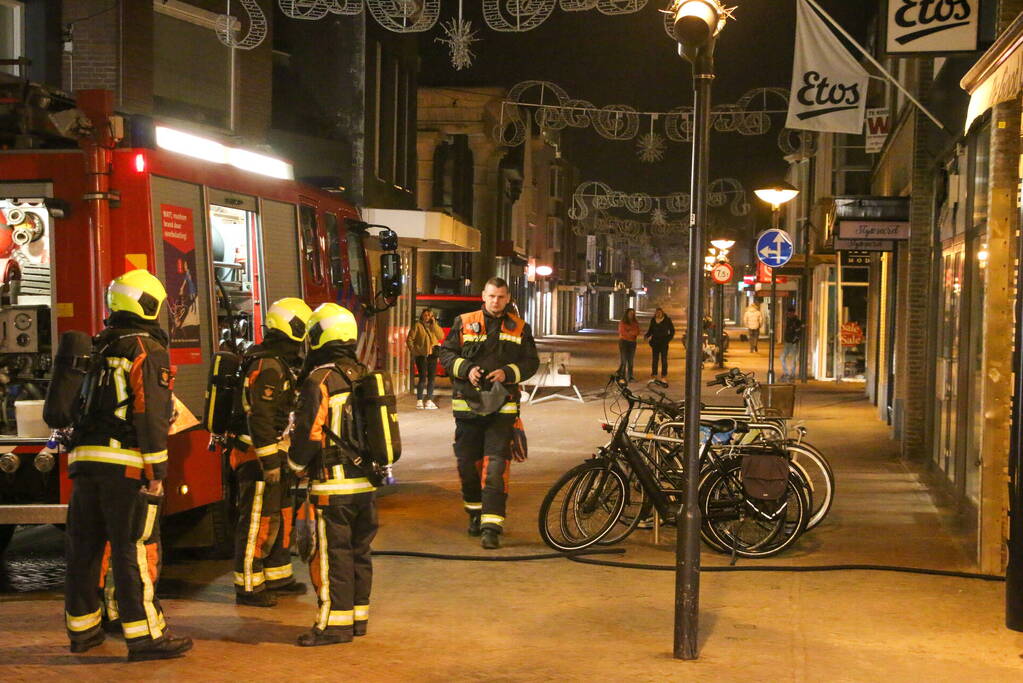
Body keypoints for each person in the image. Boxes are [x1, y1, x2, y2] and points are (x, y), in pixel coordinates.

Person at [63, 269, 192, 661]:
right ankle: (145, 637)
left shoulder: (97, 345)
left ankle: (83, 631)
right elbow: (149, 413)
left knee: (85, 548)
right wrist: (157, 472)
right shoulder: (145, 348)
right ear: (149, 305)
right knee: (132, 548)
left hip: (84, 462)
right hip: (125, 465)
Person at [289, 303, 377, 647]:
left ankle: (333, 626)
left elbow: (309, 434)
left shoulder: (320, 380)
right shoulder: (364, 374)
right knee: (359, 553)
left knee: (332, 556)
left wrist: (295, 466)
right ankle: (357, 620)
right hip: (365, 484)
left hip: (333, 485)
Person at [438, 277, 539, 550]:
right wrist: (466, 369)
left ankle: (491, 527)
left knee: (495, 469)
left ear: (508, 299)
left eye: (501, 297)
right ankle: (475, 514)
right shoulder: (464, 322)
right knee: (468, 467)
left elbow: (531, 362)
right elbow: (445, 354)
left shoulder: (520, 327)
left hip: (502, 411)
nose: (496, 301)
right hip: (467, 410)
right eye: (492, 296)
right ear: (483, 296)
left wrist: (507, 373)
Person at [228, 297, 313, 607]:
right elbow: (260, 416)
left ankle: (277, 575)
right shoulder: (268, 365)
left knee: (281, 513)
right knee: (257, 520)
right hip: (257, 454)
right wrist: (269, 461)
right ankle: (249, 586)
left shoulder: (277, 361)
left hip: (275, 449)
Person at [406, 308, 444, 409]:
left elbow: (441, 336)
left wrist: (434, 324)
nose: (428, 317)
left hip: (432, 355)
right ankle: (419, 401)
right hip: (421, 355)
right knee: (422, 378)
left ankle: (429, 401)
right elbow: (409, 339)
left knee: (431, 378)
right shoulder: (417, 326)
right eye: (426, 315)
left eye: (430, 315)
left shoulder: (434, 326)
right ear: (422, 316)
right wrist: (415, 351)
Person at [644, 307, 675, 382]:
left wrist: (668, 339)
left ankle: (664, 375)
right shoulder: (653, 320)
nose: (658, 314)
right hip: (655, 343)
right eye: (657, 313)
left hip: (664, 343)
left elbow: (672, 331)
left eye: (660, 313)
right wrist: (647, 335)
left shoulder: (667, 320)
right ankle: (654, 374)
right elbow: (650, 330)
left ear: (662, 313)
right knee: (655, 359)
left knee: (664, 359)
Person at [781, 307, 804, 381]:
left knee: (793, 359)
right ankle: (787, 372)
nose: (789, 315)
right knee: (782, 357)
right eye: (788, 313)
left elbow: (799, 331)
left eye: (790, 313)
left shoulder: (797, 321)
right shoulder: (788, 320)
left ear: (793, 313)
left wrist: (795, 340)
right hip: (787, 342)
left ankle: (792, 373)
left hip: (793, 343)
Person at [617, 308, 640, 382]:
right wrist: (631, 333)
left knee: (631, 361)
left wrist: (629, 332)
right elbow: (622, 332)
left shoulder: (635, 322)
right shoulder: (622, 322)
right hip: (624, 342)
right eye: (630, 313)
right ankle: (622, 376)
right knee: (623, 360)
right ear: (626, 314)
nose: (631, 315)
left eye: (632, 314)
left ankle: (630, 376)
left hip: (632, 343)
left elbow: (637, 332)